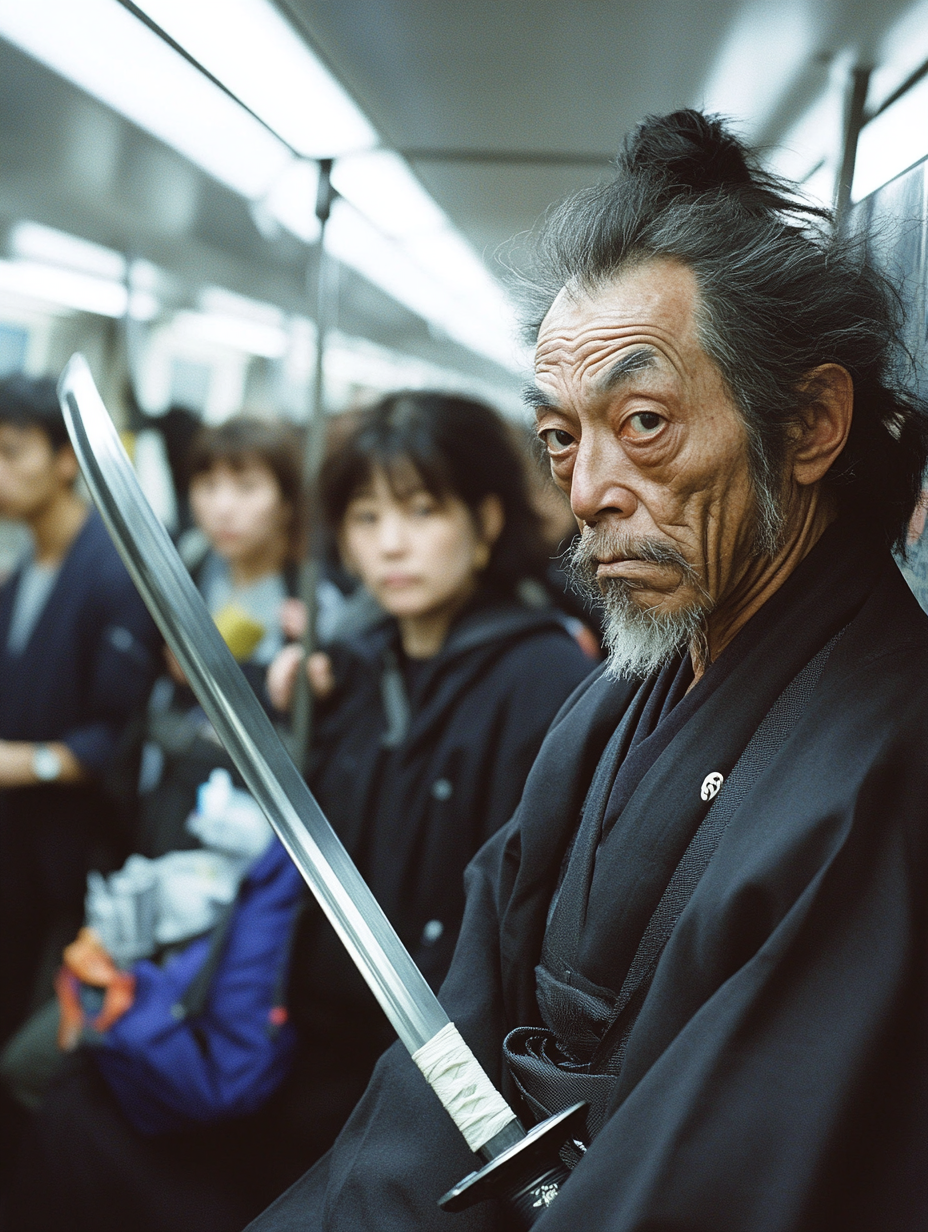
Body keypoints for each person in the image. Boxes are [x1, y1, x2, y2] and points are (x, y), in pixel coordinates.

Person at [247, 112, 928, 1232]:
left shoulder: (880, 767)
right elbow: (452, 1047)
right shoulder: (607, 706)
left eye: (645, 422)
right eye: (562, 435)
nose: (588, 491)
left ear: (807, 424)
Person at [3, 392, 593, 1232]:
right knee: (74, 1115)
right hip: (292, 1030)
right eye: (365, 516)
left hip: (410, 1069)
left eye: (422, 511)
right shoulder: (348, 667)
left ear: (486, 519)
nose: (389, 543)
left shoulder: (545, 686)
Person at [0, 375, 159, 1051]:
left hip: (65, 849)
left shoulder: (112, 571)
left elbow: (117, 732)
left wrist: (27, 761)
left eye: (11, 452)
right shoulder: (21, 569)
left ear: (68, 460)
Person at [136, 415, 346, 857]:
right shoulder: (185, 569)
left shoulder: (318, 599)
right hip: (175, 792)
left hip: (263, 816)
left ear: (287, 501)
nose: (222, 508)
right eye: (208, 485)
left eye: (247, 487)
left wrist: (316, 657)